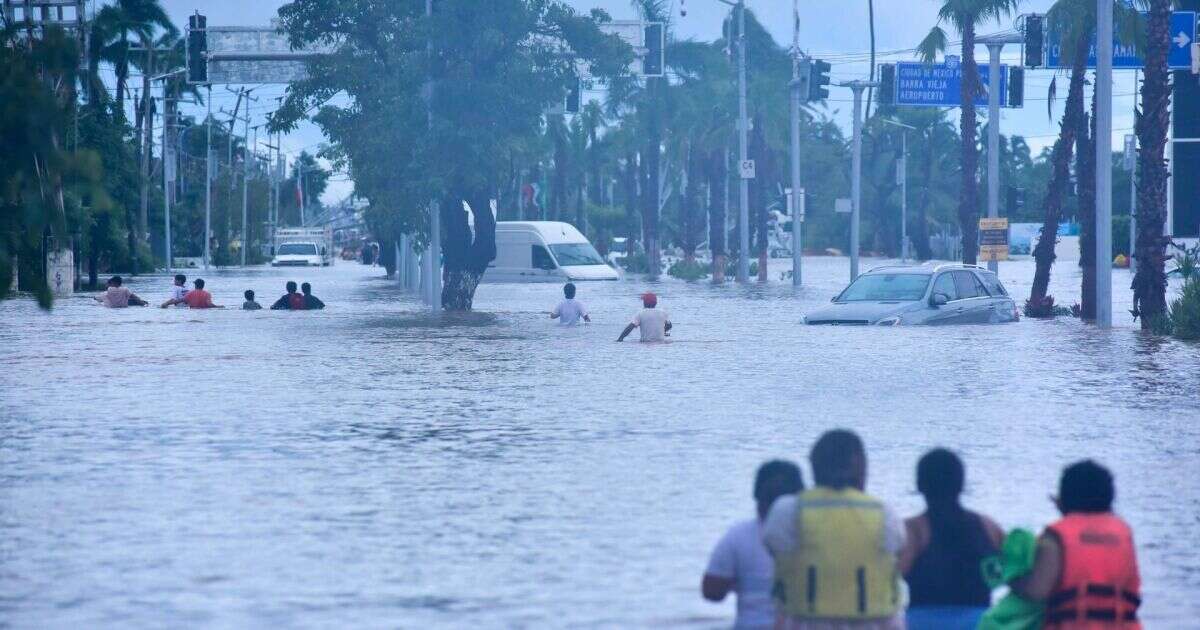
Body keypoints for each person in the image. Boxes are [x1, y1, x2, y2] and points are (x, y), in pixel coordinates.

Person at [763, 429, 906, 630]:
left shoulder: (789, 510)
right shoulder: (883, 513)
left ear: (813, 468)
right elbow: (897, 554)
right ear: (862, 470)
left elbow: (773, 549)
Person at [1013, 460, 1141, 629]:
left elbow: (1036, 591)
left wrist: (1013, 580)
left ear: (1063, 499)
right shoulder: (1124, 534)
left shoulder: (1056, 537)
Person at [898, 449, 1005, 629]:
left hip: (924, 623)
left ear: (919, 485)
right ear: (962, 484)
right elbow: (1008, 575)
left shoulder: (914, 529)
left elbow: (891, 576)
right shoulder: (989, 527)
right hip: (979, 623)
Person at [703, 460, 804, 630]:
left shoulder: (738, 536)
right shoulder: (815, 537)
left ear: (757, 496)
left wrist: (737, 579)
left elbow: (711, 592)